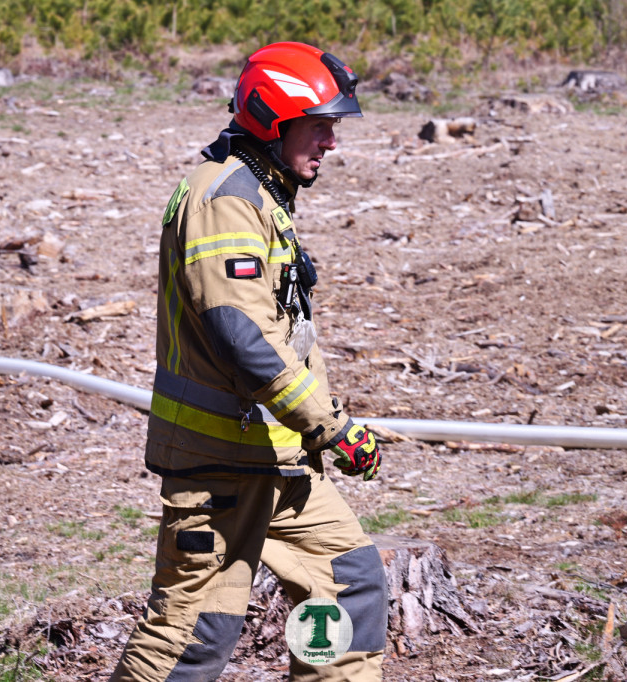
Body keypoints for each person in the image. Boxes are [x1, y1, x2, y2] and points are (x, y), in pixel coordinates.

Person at [110, 42, 388, 681]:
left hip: (274, 456)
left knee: (348, 583)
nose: (331, 143)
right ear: (273, 119)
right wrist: (332, 425)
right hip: (221, 468)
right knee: (192, 637)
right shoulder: (226, 198)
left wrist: (314, 428)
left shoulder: (262, 191)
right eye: (320, 126)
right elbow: (245, 336)